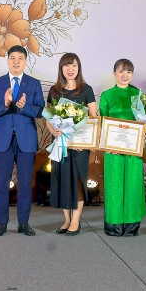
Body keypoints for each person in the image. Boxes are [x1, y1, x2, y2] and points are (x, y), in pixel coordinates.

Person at [0, 45, 44, 236]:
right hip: (3, 140)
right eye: (13, 58)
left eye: (20, 58)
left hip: (26, 140)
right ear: (8, 61)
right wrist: (4, 104)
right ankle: (1, 224)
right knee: (2, 184)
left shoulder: (34, 83)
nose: (16, 61)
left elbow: (40, 111)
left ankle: (23, 224)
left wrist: (25, 106)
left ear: (25, 61)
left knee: (25, 185)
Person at [45, 52, 96, 236]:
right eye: (66, 65)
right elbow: (48, 117)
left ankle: (76, 220)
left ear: (78, 68)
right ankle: (67, 220)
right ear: (61, 68)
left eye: (74, 65)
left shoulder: (86, 89)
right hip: (60, 143)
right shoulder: (54, 90)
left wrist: (86, 142)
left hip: (80, 146)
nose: (70, 69)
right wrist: (53, 131)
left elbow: (93, 118)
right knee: (63, 181)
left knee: (78, 181)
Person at [98, 59, 146, 236]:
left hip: (133, 148)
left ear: (132, 74)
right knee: (115, 184)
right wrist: (107, 143)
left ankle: (131, 225)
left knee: (133, 184)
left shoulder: (138, 94)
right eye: (121, 71)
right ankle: (114, 225)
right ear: (114, 74)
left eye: (128, 71)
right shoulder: (107, 95)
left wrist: (145, 132)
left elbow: (145, 120)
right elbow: (102, 122)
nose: (125, 75)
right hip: (113, 149)